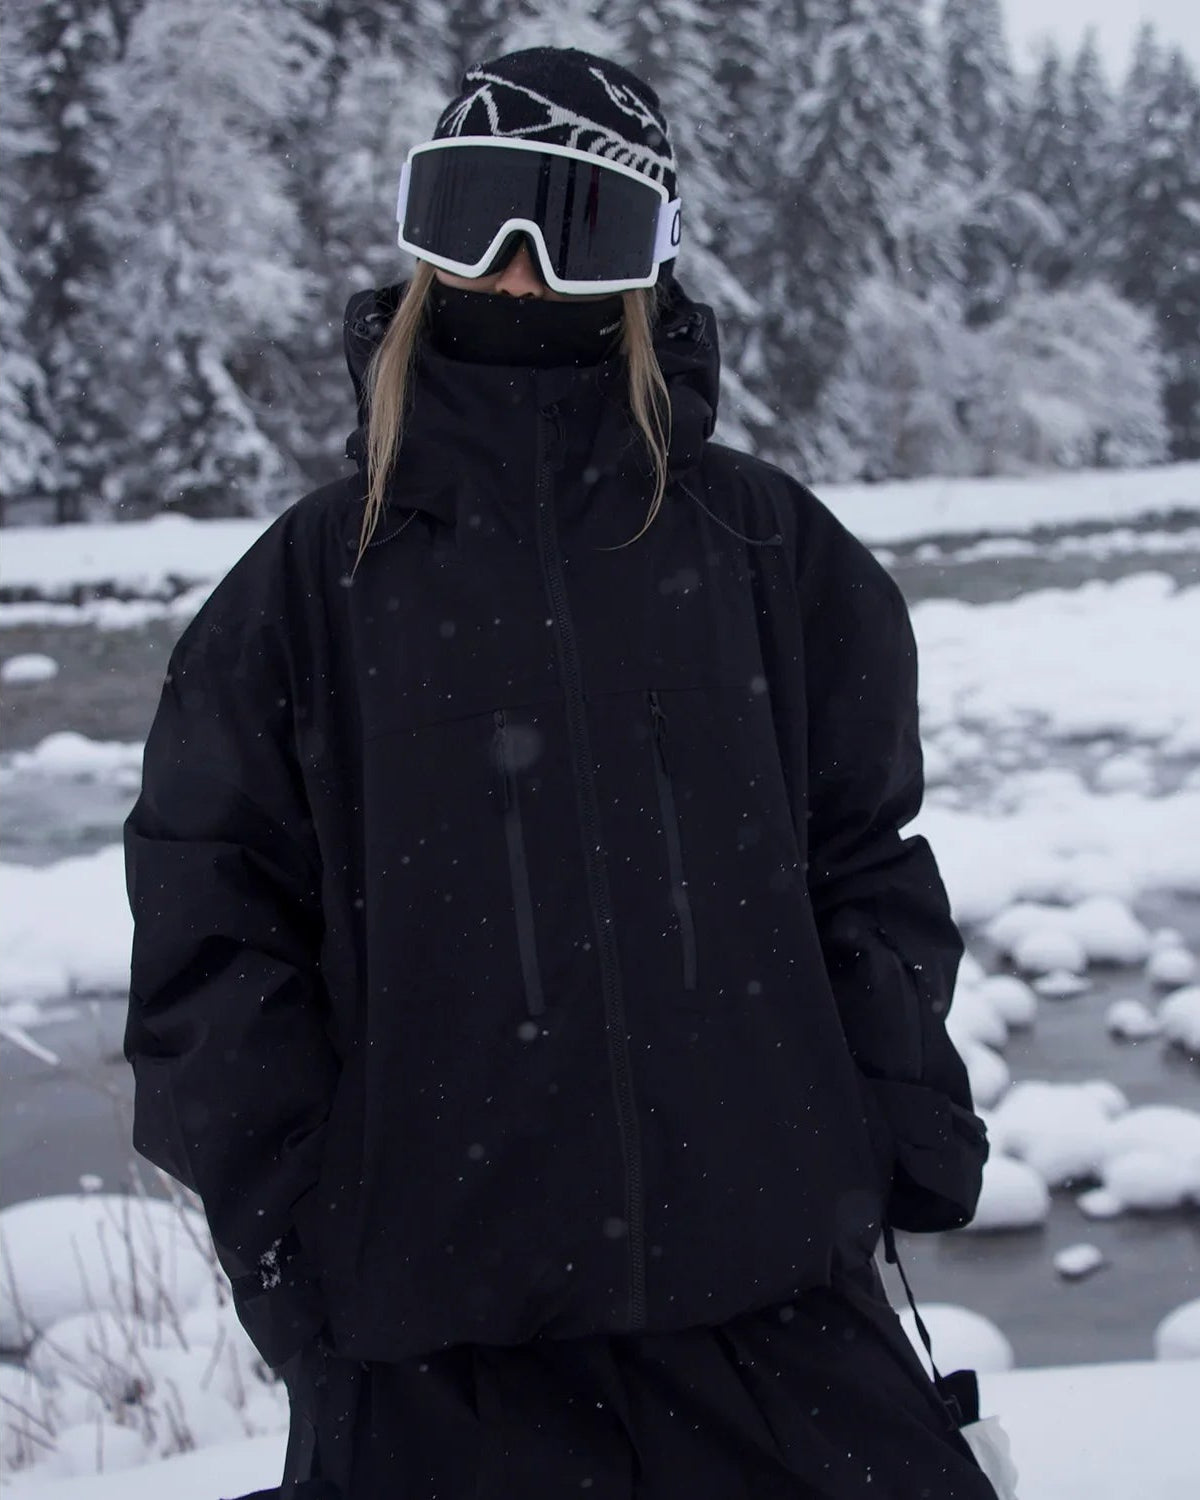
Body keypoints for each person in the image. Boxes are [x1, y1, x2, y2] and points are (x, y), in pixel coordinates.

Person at [124, 46, 994, 1500]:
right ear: (420, 246)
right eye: (474, 216)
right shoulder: (309, 588)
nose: (517, 268)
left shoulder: (770, 554)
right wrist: (302, 1256)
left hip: (774, 1315)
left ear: (648, 261)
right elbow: (212, 947)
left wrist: (878, 1134)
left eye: (571, 222)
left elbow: (868, 865)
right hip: (433, 1347)